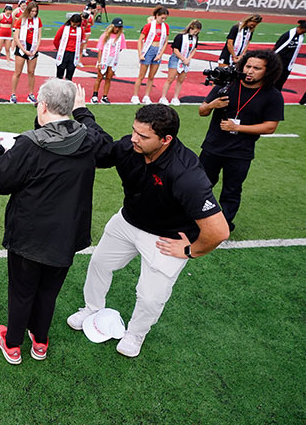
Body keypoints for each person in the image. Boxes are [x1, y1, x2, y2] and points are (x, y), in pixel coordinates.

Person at [67, 104, 231, 358]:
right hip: (128, 221)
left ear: (166, 140)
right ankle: (91, 308)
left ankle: (136, 334)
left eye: (143, 136)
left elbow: (219, 231)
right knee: (99, 264)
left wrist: (190, 250)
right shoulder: (129, 147)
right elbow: (102, 152)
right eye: (134, 131)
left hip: (167, 237)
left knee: (150, 295)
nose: (134, 139)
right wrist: (82, 113)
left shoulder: (186, 173)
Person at [0, 79, 113, 364]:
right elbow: (107, 148)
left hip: (29, 235)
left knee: (22, 291)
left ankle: (14, 343)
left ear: (42, 105)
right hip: (66, 235)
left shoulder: (30, 144)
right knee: (48, 291)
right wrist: (83, 112)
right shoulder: (88, 138)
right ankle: (40, 341)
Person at [198, 49, 284, 232]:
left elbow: (270, 126)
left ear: (267, 71)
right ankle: (193, 217)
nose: (250, 71)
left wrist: (237, 127)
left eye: (257, 68)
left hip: (240, 152)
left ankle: (223, 226)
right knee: (200, 185)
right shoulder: (227, 84)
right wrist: (212, 105)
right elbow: (202, 111)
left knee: (231, 191)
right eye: (248, 66)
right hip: (212, 147)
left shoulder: (273, 95)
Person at [132, 6, 170, 104]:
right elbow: (140, 39)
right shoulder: (149, 25)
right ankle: (135, 96)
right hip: (148, 49)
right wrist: (140, 54)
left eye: (165, 18)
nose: (163, 20)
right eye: (162, 18)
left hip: (157, 51)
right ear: (157, 16)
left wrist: (160, 54)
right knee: (141, 76)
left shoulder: (165, 26)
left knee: (151, 76)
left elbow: (166, 41)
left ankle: (146, 96)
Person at [158, 20, 201, 106]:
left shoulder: (195, 38)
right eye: (195, 31)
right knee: (170, 79)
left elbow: (194, 49)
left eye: (197, 32)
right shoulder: (180, 36)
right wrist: (183, 58)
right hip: (176, 59)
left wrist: (188, 58)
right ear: (191, 28)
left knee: (180, 80)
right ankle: (163, 97)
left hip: (186, 60)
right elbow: (175, 49)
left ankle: (175, 98)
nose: (195, 33)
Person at [10, 0, 43, 105]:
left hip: (33, 48)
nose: (33, 13)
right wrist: (24, 50)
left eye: (35, 11)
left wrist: (36, 49)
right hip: (22, 48)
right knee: (18, 72)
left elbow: (39, 37)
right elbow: (16, 36)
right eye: (32, 11)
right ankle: (13, 94)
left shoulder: (38, 21)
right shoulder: (21, 20)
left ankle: (31, 94)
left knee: (31, 72)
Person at [91, 18, 126, 105]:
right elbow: (100, 49)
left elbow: (121, 48)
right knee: (99, 77)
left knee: (109, 78)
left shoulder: (121, 36)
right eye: (116, 27)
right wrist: (99, 62)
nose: (117, 29)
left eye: (119, 27)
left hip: (113, 60)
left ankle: (104, 96)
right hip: (104, 59)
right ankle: (94, 95)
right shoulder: (105, 35)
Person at [272, 20, 306, 92]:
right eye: (303, 31)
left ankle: (277, 93)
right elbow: (277, 46)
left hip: (289, 61)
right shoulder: (288, 35)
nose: (303, 33)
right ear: (300, 27)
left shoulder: (301, 37)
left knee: (282, 79)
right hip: (280, 59)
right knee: (275, 78)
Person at [53, 14, 84, 82]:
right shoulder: (64, 28)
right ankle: (58, 91)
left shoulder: (80, 29)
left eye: (76, 24)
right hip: (64, 53)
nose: (74, 25)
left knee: (69, 75)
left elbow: (81, 40)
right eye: (73, 23)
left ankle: (67, 91)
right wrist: (60, 49)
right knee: (59, 75)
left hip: (73, 54)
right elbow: (56, 40)